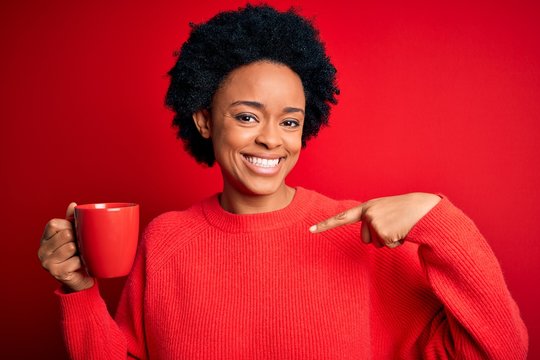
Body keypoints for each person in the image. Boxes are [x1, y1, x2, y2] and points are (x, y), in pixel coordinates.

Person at [38, 4, 528, 359]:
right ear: (205, 121)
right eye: (248, 117)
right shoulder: (165, 241)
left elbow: (497, 349)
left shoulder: (363, 238)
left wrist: (436, 217)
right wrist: (79, 290)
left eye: (290, 122)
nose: (272, 139)